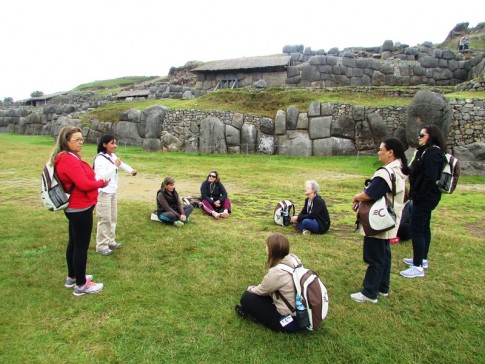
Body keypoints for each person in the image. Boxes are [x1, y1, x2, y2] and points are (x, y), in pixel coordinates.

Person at [50, 126, 109, 296]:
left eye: (81, 139)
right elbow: (83, 184)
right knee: (81, 246)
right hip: (79, 207)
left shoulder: (65, 157)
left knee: (74, 242)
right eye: (77, 139)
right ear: (66, 141)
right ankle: (82, 285)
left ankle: (73, 277)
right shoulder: (68, 159)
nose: (81, 142)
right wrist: (101, 183)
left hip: (75, 207)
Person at [351, 138, 409, 303]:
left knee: (374, 256)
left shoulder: (386, 173)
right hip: (390, 220)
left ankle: (369, 293)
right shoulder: (399, 171)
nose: (378, 152)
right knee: (384, 254)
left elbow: (370, 193)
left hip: (378, 222)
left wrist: (356, 197)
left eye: (381, 149)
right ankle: (382, 287)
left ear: (390, 152)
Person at [400, 125, 446, 278]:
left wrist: (418, 195)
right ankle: (422, 259)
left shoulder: (433, 154)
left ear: (430, 137)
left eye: (422, 135)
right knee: (424, 227)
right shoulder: (426, 152)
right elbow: (416, 170)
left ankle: (418, 267)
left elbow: (430, 178)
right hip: (426, 197)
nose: (419, 137)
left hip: (425, 198)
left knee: (416, 229)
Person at [235, 232, 304, 333]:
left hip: (290, 323)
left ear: (271, 250)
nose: (265, 248)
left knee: (247, 298)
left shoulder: (277, 273)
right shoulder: (294, 260)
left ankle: (254, 316)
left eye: (267, 246)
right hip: (302, 312)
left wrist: (249, 289)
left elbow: (261, 291)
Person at [94, 135, 137, 256]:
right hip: (103, 192)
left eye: (115, 143)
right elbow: (102, 175)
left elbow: (121, 164)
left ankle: (110, 241)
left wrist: (131, 170)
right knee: (105, 219)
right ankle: (101, 245)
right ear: (104, 144)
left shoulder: (112, 156)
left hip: (113, 191)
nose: (115, 146)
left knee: (113, 217)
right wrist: (115, 165)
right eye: (112, 143)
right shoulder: (100, 159)